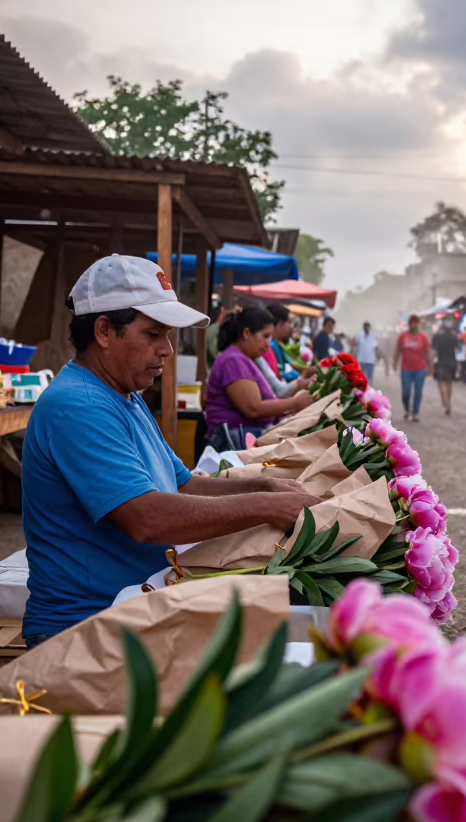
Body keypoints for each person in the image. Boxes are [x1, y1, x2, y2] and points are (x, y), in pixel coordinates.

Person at [21, 257, 319, 645]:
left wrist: (268, 487)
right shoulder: (80, 406)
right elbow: (146, 518)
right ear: (105, 331)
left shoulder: (122, 395)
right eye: (153, 334)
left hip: (138, 607)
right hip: (86, 628)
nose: (167, 349)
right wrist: (265, 507)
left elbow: (184, 486)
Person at [207, 306, 315, 445]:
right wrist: (295, 403)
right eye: (265, 336)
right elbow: (253, 409)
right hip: (232, 441)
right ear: (246, 333)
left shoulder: (244, 358)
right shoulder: (233, 360)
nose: (267, 344)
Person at [393, 314, 433, 422]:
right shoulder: (403, 336)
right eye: (412, 323)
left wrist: (430, 366)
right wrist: (395, 361)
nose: (414, 325)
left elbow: (428, 352)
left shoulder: (423, 337)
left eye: (416, 323)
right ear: (409, 324)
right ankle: (407, 409)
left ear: (419, 324)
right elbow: (397, 349)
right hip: (406, 369)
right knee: (406, 391)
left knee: (418, 391)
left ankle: (415, 413)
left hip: (420, 369)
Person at [432, 318, 462, 415]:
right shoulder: (454, 337)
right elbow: (459, 350)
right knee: (449, 383)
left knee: (441, 383)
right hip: (452, 362)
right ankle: (448, 402)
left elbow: (433, 350)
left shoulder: (437, 336)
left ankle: (446, 403)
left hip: (441, 362)